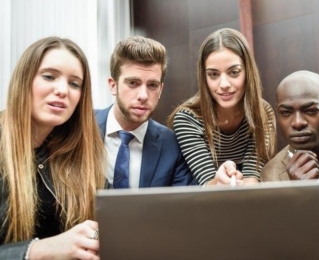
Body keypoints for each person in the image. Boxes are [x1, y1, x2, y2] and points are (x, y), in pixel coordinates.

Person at [0, 37, 105, 259]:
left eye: (74, 83)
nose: (62, 90)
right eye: (49, 76)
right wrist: (36, 251)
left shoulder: (83, 154)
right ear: (24, 79)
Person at [168, 28, 276, 186]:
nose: (224, 84)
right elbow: (207, 184)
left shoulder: (262, 112)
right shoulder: (187, 118)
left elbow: (252, 179)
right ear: (204, 77)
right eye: (213, 74)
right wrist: (219, 182)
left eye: (234, 72)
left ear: (248, 72)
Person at [96, 36, 194, 188]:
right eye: (133, 83)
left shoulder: (173, 146)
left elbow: (181, 208)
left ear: (160, 90)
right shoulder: (79, 127)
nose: (143, 95)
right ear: (113, 85)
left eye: (152, 85)